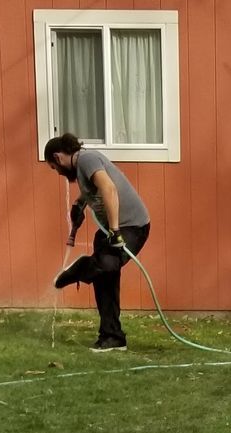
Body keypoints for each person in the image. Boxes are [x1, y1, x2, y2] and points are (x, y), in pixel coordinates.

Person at [43, 133, 151, 352]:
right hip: (110, 229)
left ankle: (80, 269)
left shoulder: (86, 159)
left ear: (58, 157)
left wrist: (115, 231)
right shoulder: (83, 164)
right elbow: (93, 189)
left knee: (106, 264)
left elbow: (109, 188)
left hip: (132, 226)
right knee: (104, 277)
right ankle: (112, 337)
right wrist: (78, 205)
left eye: (54, 168)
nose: (58, 172)